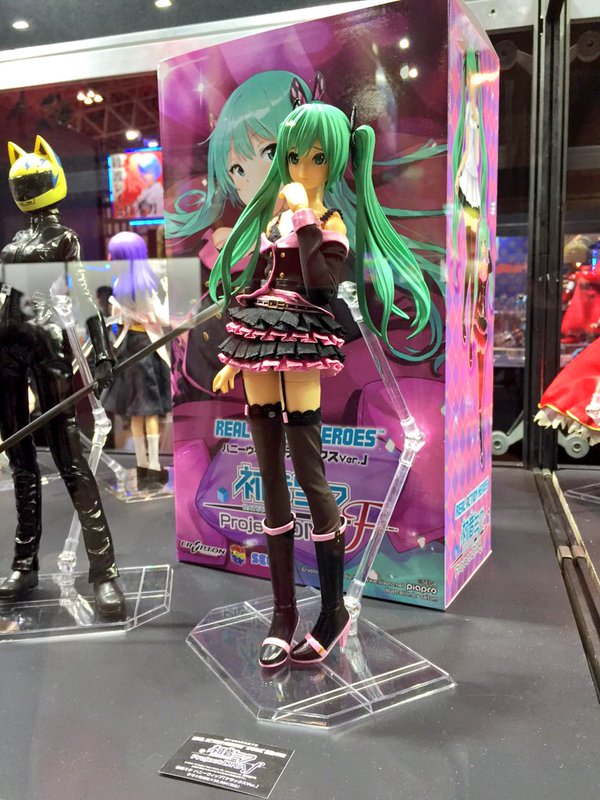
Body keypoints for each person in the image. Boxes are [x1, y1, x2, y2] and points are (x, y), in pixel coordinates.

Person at [210, 102, 435, 667]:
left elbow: (319, 289)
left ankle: (332, 610)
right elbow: (260, 286)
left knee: (310, 474)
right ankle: (282, 612)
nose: (302, 168)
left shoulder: (329, 223)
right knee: (269, 477)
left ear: (334, 161)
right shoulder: (271, 222)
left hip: (303, 345)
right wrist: (236, 359)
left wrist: (305, 216)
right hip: (260, 346)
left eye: (315, 158)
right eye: (293, 157)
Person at [0, 136, 125, 619]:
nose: (26, 186)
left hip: (46, 346)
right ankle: (24, 564)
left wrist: (103, 352)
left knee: (69, 456)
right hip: (6, 348)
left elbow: (83, 294)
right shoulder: (14, 244)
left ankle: (104, 572)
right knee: (20, 459)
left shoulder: (63, 238)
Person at [102, 232, 172, 491]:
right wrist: (171, 300)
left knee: (137, 411)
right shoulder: (144, 285)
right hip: (145, 347)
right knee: (149, 409)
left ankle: (143, 465)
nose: (110, 258)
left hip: (129, 346)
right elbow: (162, 318)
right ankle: (152, 466)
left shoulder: (121, 285)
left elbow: (120, 320)